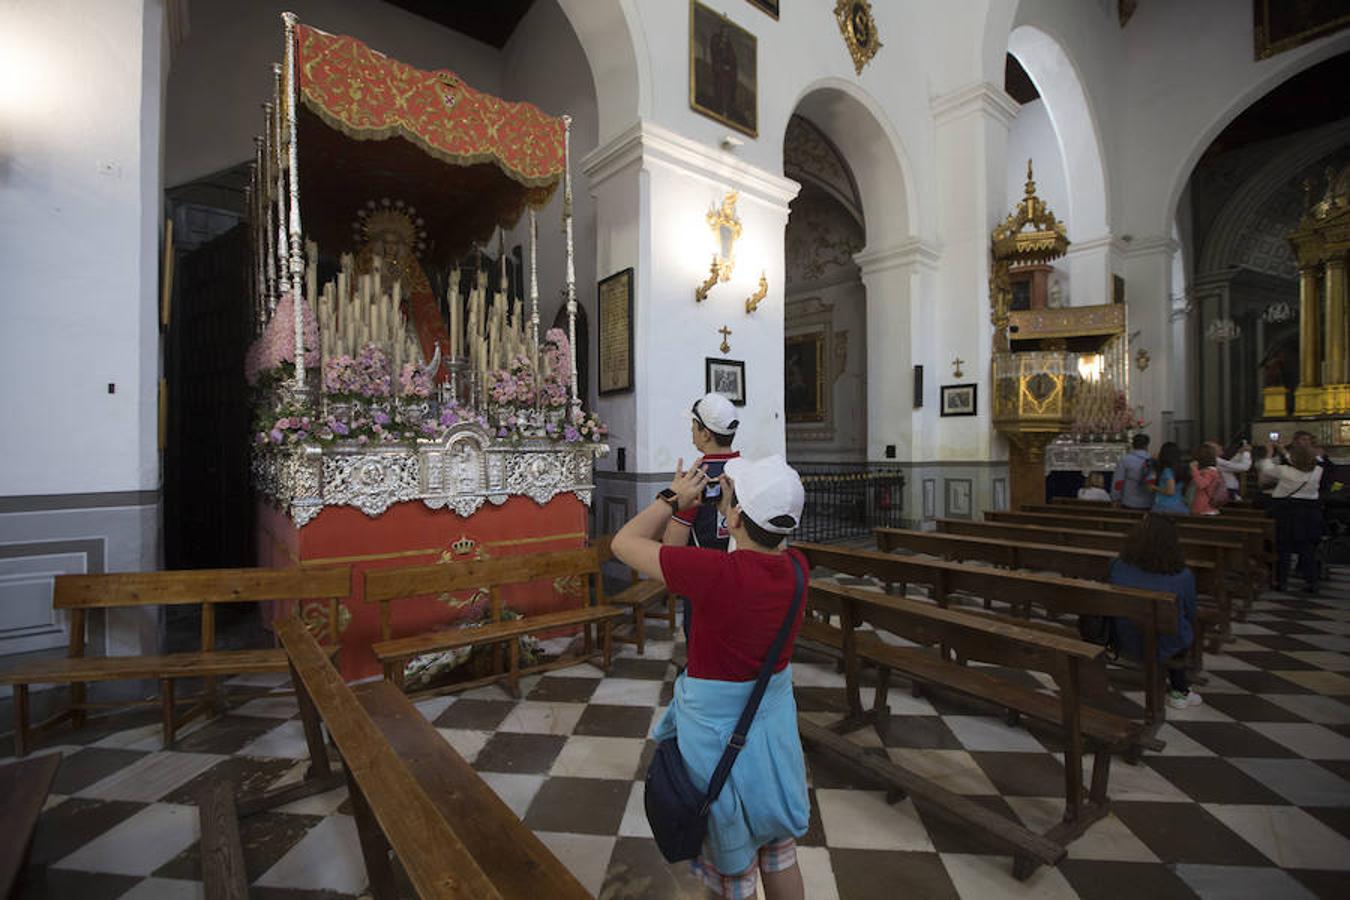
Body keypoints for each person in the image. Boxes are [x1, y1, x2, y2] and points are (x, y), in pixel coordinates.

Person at [613, 455, 810, 900]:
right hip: (773, 734)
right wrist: (730, 497)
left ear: (736, 516)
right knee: (780, 851)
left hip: (718, 739)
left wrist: (673, 498)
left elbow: (624, 543)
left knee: (735, 867)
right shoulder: (798, 568)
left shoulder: (716, 574)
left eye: (729, 497)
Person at [664, 393, 741, 643]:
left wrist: (673, 501)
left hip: (704, 581)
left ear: (706, 433)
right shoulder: (751, 472)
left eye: (693, 427)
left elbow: (672, 548)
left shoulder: (693, 480)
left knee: (702, 646)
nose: (691, 432)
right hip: (744, 577)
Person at [1108, 514, 1201, 709]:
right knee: (1181, 627)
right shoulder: (1182, 575)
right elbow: (1191, 613)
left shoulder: (1118, 565)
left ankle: (1180, 688)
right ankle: (1180, 690)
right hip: (1165, 643)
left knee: (1168, 625)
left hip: (1123, 636)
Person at [1259, 440, 1323, 593]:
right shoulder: (1318, 471)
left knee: (1283, 548)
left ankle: (1282, 581)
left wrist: (1269, 453)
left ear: (1293, 458)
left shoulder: (1284, 471)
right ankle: (1311, 581)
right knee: (1306, 548)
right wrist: (1285, 452)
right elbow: (1302, 461)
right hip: (1309, 513)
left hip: (1286, 511)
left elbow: (1267, 469)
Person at [1112, 433, 1154, 510]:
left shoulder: (1125, 460)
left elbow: (1119, 481)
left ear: (1133, 445)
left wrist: (1116, 498)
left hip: (1129, 501)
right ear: (1146, 445)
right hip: (1148, 501)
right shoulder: (1152, 460)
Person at [1150, 441, 1189, 515]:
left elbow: (1170, 491)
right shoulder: (1180, 469)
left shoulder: (1167, 471)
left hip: (1165, 506)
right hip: (1178, 504)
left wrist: (1155, 488)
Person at [1188, 444, 1226, 516]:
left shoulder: (1209, 472)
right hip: (1209, 506)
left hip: (1204, 507)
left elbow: (1202, 484)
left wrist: (1194, 469)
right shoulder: (1213, 471)